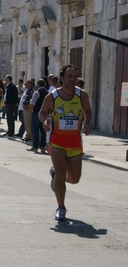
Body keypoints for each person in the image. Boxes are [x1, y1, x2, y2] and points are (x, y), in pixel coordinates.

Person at [39, 64, 92, 220]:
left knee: (75, 179)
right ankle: (61, 207)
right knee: (62, 174)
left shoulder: (82, 95)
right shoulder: (52, 96)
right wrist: (45, 122)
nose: (73, 79)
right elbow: (42, 113)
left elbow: (88, 111)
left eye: (75, 76)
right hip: (56, 142)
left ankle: (55, 178)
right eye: (70, 76)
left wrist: (87, 123)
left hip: (75, 142)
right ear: (62, 78)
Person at [26, 79, 47, 153]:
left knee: (35, 130)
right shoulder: (47, 92)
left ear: (38, 84)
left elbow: (32, 104)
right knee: (43, 130)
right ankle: (42, 146)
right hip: (44, 113)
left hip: (36, 112)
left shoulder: (37, 92)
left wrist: (30, 112)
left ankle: (35, 146)